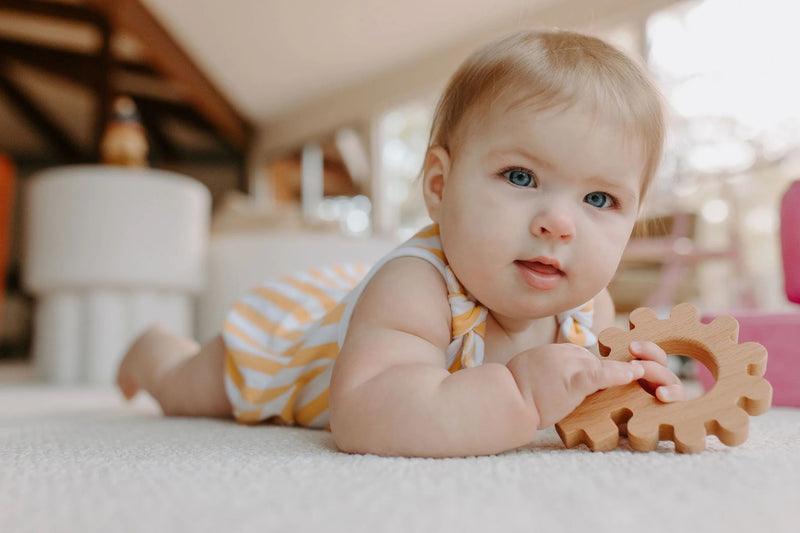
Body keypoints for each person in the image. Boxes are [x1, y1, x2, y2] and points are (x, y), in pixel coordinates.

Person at [117, 29, 686, 458]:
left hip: (356, 309)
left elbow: (584, 401)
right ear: (439, 187)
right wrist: (521, 395)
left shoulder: (593, 310)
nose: (560, 224)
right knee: (186, 391)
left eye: (600, 200)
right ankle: (157, 353)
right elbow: (365, 416)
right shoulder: (417, 288)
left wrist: (629, 394)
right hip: (289, 347)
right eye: (520, 177)